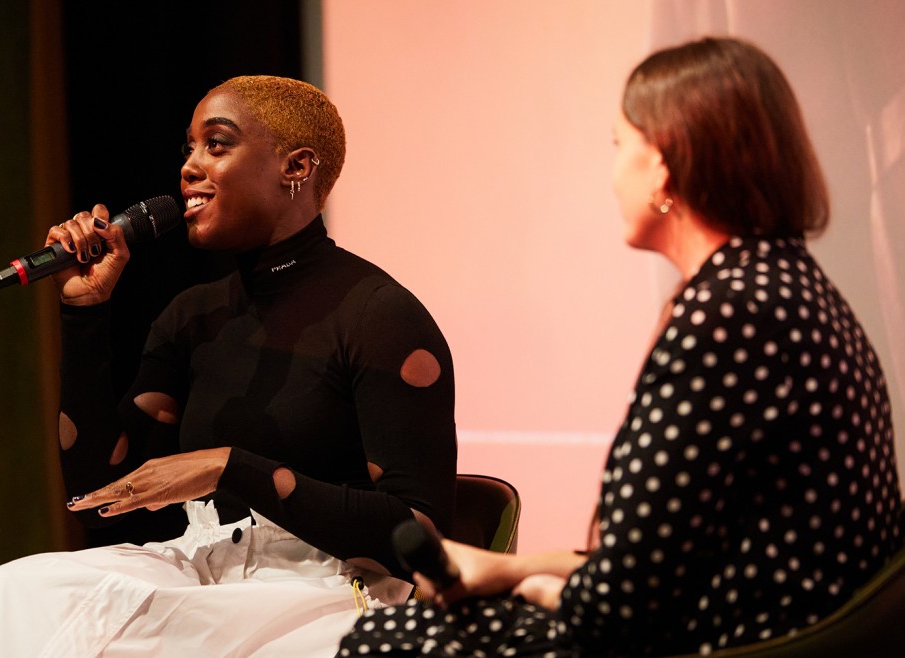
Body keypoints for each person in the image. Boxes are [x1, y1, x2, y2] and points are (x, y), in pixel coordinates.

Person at [338, 36, 902, 657]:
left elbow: (616, 610)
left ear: (664, 161)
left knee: (380, 639)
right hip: (768, 626)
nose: (611, 174)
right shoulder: (786, 284)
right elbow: (660, 548)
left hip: (720, 644)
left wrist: (530, 585)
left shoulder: (726, 315)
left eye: (619, 145)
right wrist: (508, 569)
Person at [0, 75, 457, 657]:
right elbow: (98, 497)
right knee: (16, 590)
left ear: (297, 166)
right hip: (207, 565)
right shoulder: (193, 315)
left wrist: (229, 468)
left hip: (329, 586)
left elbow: (420, 535)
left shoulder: (380, 315)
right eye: (188, 148)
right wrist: (83, 314)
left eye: (216, 145)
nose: (190, 167)